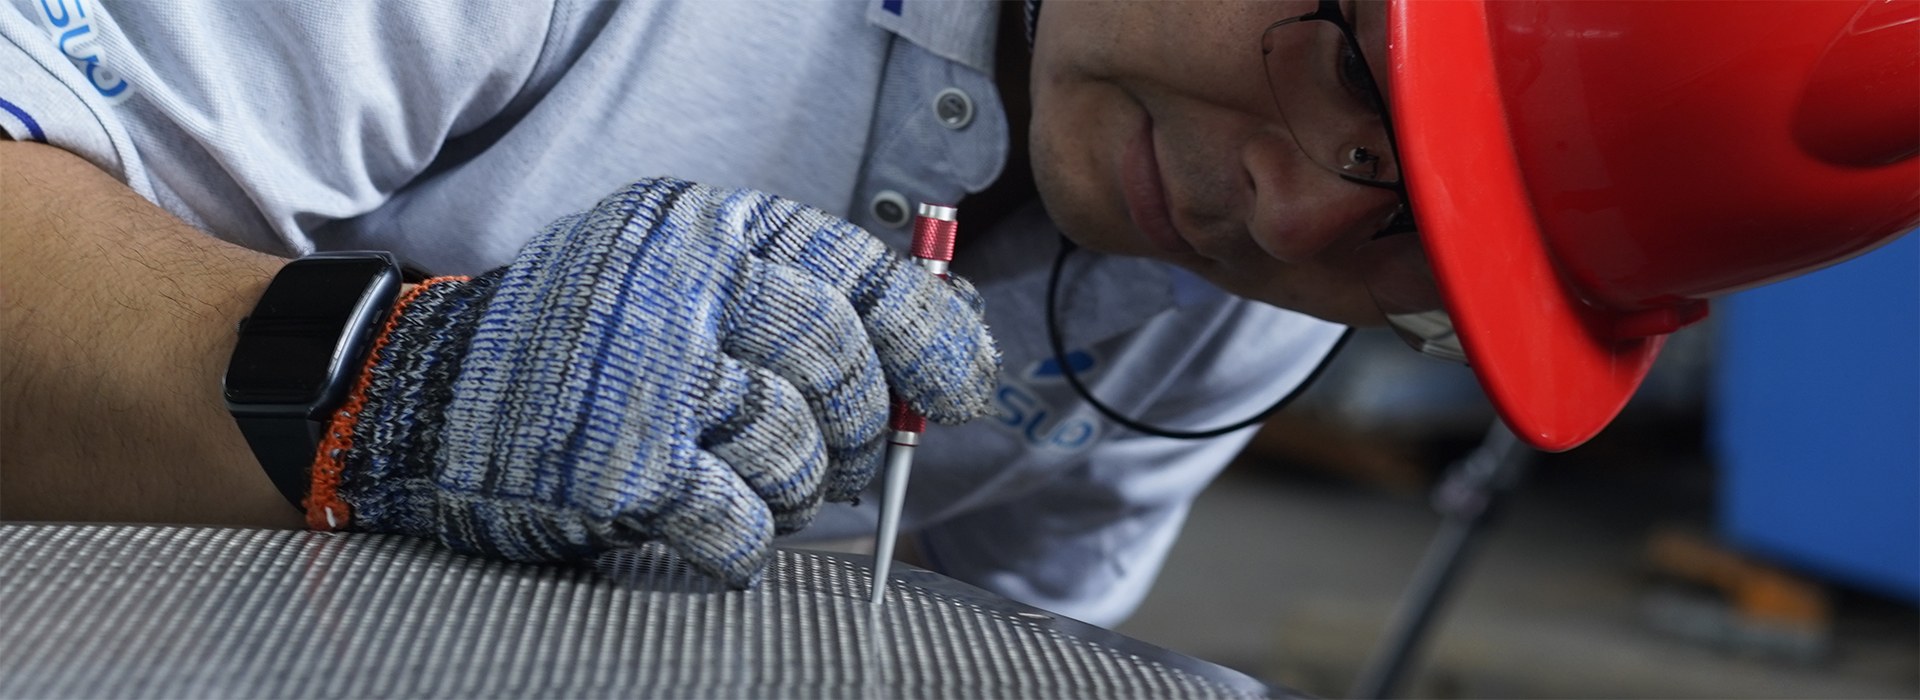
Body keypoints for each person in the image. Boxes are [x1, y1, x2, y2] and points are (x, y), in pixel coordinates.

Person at [2, 0, 1912, 629]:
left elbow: (991, 630)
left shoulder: (1265, 274)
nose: (1292, 215)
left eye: (1440, 245)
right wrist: (382, 383)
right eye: (1352, 70)